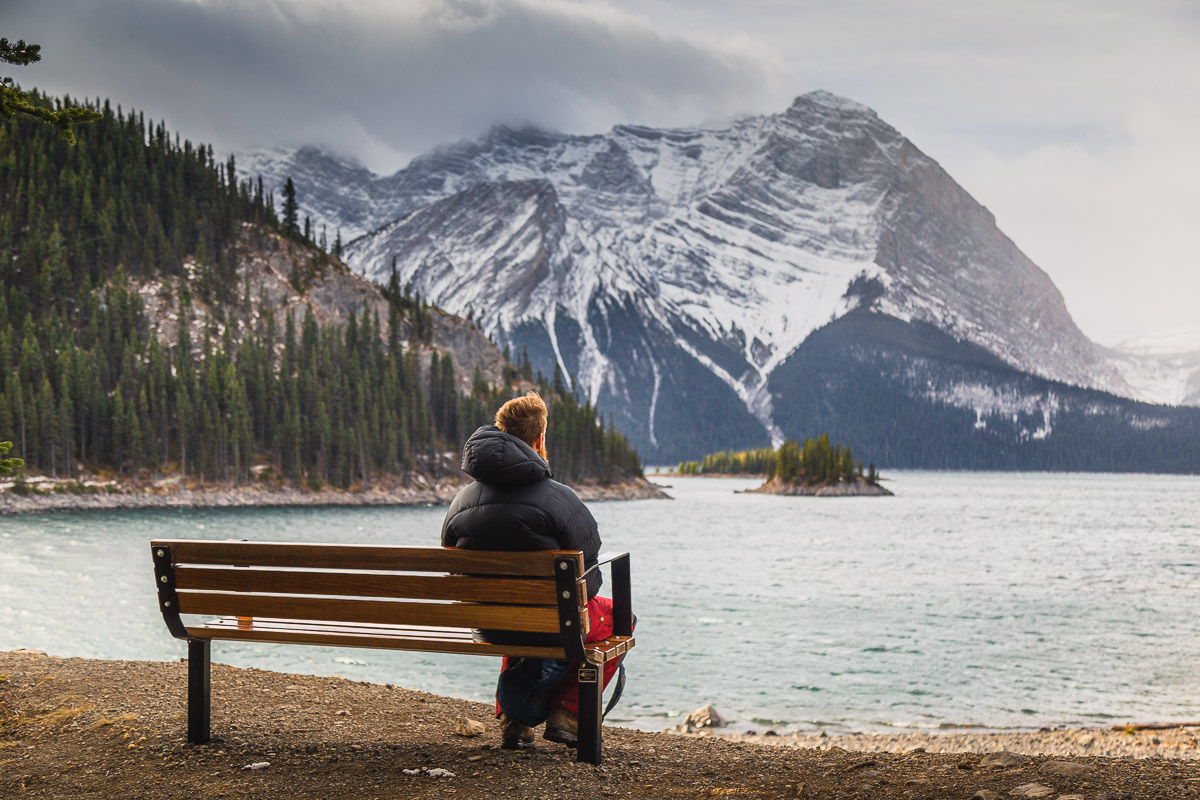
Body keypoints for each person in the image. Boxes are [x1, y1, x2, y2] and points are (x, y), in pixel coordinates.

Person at [441, 391, 627, 750]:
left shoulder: (460, 502)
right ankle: (568, 716)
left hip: (488, 623)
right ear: (540, 439)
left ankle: (515, 720)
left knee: (518, 612)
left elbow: (452, 565)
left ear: (499, 432)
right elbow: (589, 572)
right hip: (549, 624)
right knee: (620, 617)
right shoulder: (560, 498)